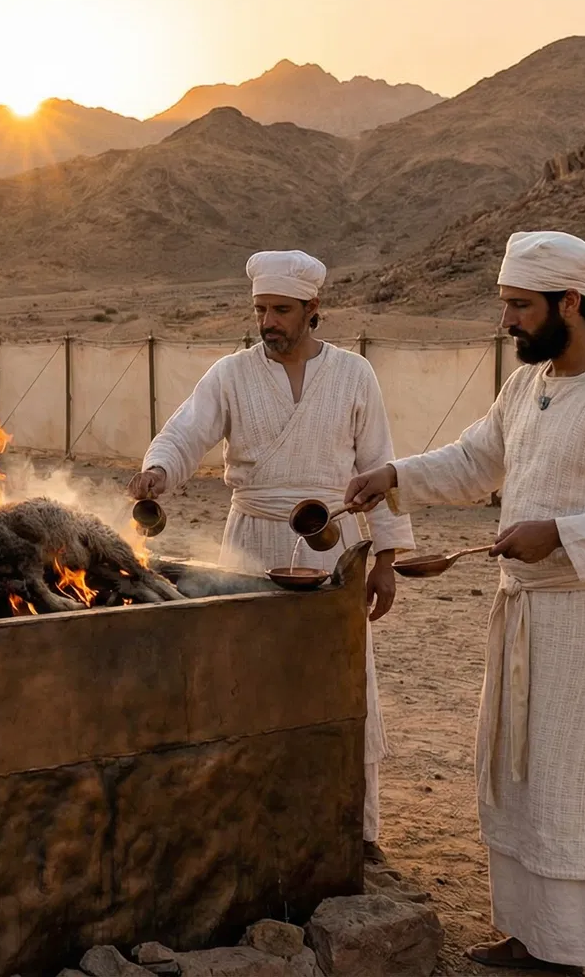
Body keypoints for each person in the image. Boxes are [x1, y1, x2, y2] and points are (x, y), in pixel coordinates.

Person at [345, 231, 585, 976]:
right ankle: (535, 936)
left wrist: (562, 535)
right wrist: (392, 475)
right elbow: (477, 460)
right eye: (504, 304)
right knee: (522, 773)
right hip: (528, 617)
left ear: (571, 303)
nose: (506, 321)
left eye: (519, 307)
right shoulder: (528, 386)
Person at [130, 249, 414, 858]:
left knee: (339, 679)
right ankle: (245, 819)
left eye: (281, 310)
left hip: (328, 542)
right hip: (249, 544)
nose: (268, 321)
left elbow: (377, 466)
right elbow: (187, 431)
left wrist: (386, 558)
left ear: (313, 310)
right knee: (245, 680)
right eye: (261, 309)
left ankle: (353, 830)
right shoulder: (231, 374)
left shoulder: (355, 375)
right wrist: (158, 471)